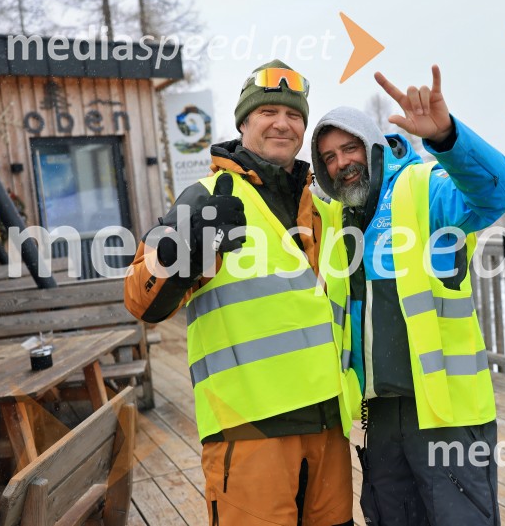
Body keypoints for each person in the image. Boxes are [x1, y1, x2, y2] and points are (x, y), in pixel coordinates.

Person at [124, 60, 356, 526]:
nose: (282, 123)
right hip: (249, 429)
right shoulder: (207, 196)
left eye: (294, 115)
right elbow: (138, 297)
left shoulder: (325, 202)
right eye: (268, 111)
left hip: (331, 424)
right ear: (245, 122)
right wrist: (181, 255)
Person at [310, 65, 505, 526]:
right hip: (376, 417)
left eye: (350, 148)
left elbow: (496, 191)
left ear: (374, 148)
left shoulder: (423, 188)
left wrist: (446, 137)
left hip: (446, 411)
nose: (342, 162)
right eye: (328, 157)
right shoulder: (336, 222)